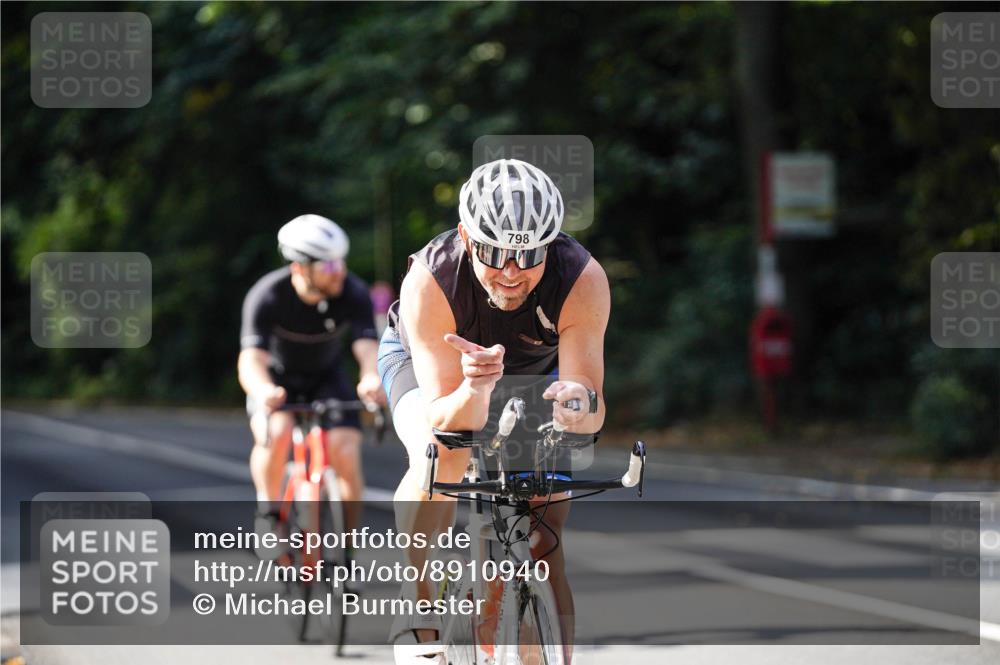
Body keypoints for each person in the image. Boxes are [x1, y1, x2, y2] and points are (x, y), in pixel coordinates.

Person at [377, 159, 610, 663]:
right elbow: (446, 418)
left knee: (544, 534)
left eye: (528, 255)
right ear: (466, 236)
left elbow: (591, 402)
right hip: (431, 372)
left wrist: (577, 406)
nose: (510, 271)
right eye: (494, 251)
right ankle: (418, 598)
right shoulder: (432, 278)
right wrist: (476, 388)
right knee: (443, 454)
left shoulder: (581, 277)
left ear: (550, 245)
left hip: (532, 377)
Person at [239, 214, 385, 544]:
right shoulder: (267, 295)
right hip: (276, 382)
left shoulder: (353, 291)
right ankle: (268, 512)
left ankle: (347, 547)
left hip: (326, 377)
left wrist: (370, 377)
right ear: (300, 268)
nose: (340, 271)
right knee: (276, 434)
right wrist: (262, 389)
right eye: (329, 266)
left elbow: (366, 346)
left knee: (345, 449)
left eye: (341, 262)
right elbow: (251, 359)